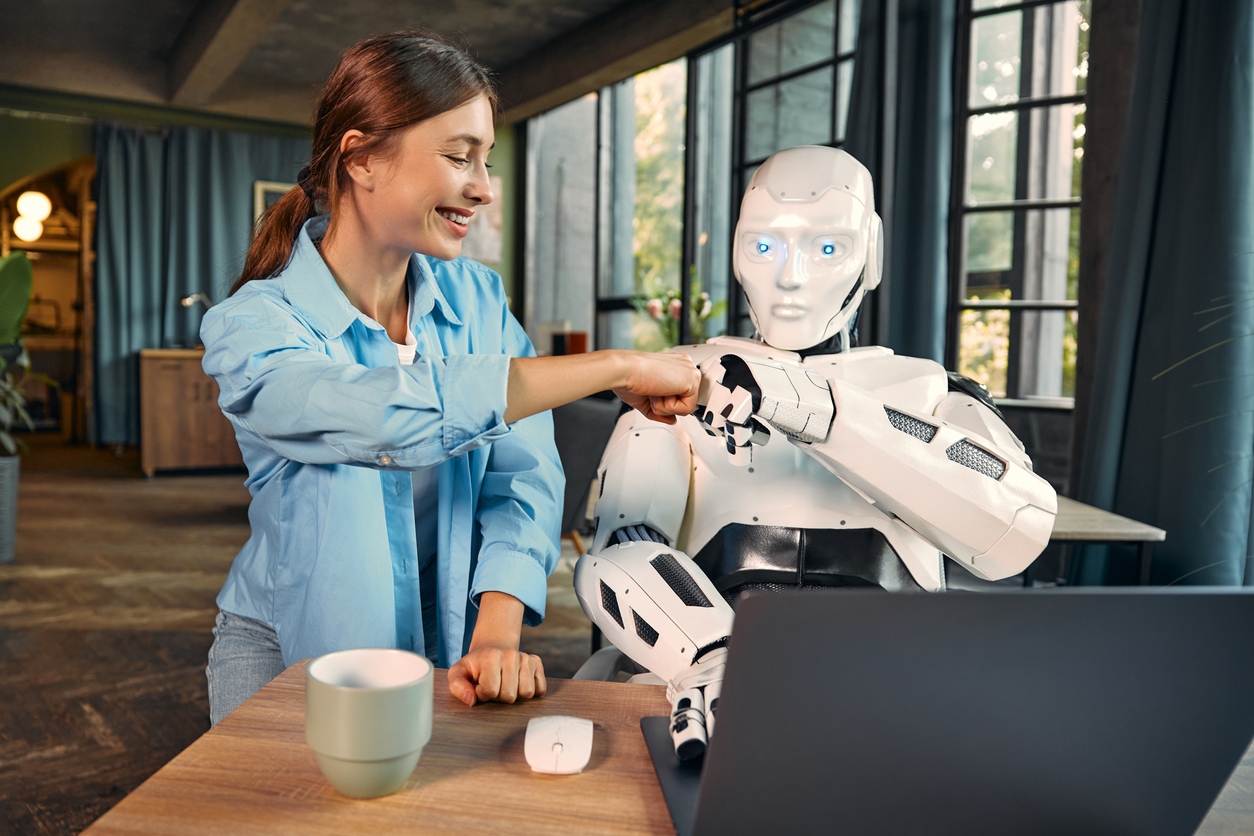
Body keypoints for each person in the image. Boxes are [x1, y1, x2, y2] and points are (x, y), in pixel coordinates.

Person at [200, 31, 699, 726]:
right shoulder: (253, 326)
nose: (485, 188)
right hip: (291, 658)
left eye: (487, 159)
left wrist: (496, 630)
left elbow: (523, 474)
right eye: (459, 157)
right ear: (363, 157)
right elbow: (383, 417)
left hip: (451, 650)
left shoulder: (479, 300)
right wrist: (613, 366)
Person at [572, 146, 1058, 760]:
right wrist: (714, 655)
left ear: (869, 255)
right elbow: (620, 551)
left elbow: (1018, 529)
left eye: (826, 248)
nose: (790, 277)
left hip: (892, 696)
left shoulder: (927, 391)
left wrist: (817, 409)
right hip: (706, 690)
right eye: (764, 247)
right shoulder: (679, 383)